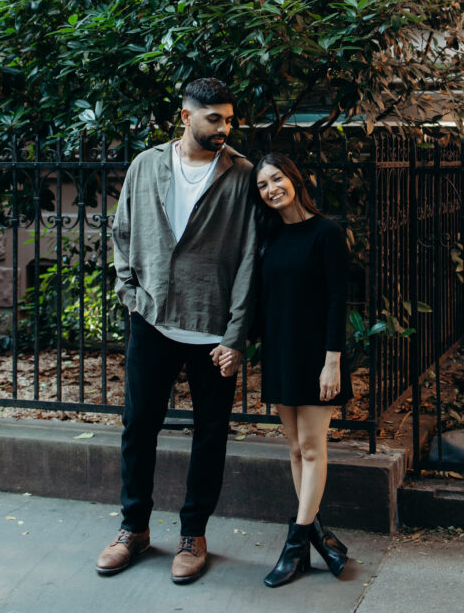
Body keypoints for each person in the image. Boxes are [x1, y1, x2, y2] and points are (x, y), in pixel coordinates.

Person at [96, 78, 257, 585]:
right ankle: (133, 529)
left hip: (212, 327)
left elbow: (251, 256)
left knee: (210, 434)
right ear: (185, 116)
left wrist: (235, 334)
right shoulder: (147, 165)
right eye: (214, 119)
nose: (223, 129)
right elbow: (121, 232)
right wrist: (130, 294)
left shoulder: (241, 174)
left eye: (228, 119)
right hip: (152, 319)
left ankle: (194, 534)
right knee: (138, 426)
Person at [222, 151, 352, 587]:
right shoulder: (268, 236)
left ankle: (295, 546)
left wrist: (332, 360)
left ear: (294, 179)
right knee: (295, 449)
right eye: (262, 185)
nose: (271, 189)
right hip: (280, 353)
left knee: (313, 449)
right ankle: (317, 536)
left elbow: (338, 300)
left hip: (317, 357)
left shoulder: (327, 233)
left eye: (277, 179)